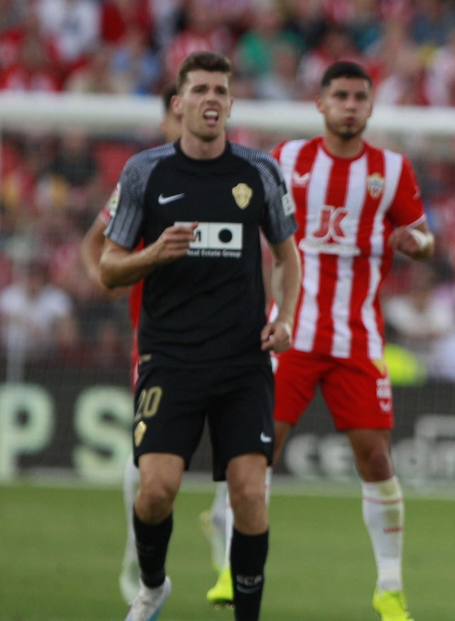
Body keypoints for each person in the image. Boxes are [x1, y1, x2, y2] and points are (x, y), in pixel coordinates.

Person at [101, 52, 301, 621]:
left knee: (248, 494)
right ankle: (154, 585)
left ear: (231, 104)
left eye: (221, 90)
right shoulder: (145, 172)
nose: (211, 99)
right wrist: (154, 253)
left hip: (242, 362)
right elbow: (108, 269)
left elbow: (288, 257)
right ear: (179, 103)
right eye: (201, 90)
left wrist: (284, 317)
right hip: (171, 358)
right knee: (156, 489)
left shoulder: (259, 172)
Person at [271, 61, 435, 621]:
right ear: (320, 104)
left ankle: (389, 585)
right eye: (339, 95)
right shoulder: (288, 160)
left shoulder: (390, 170)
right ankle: (229, 563)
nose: (349, 104)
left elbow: (425, 237)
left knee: (375, 456)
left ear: (370, 106)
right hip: (291, 328)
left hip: (356, 336)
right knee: (257, 449)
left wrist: (419, 245)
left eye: (358, 96)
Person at [78, 86, 218, 607]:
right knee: (148, 456)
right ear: (167, 121)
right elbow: (94, 244)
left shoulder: (231, 176)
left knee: (240, 454)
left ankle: (224, 543)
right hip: (158, 341)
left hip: (225, 340)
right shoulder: (145, 178)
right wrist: (107, 280)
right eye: (173, 114)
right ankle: (140, 563)